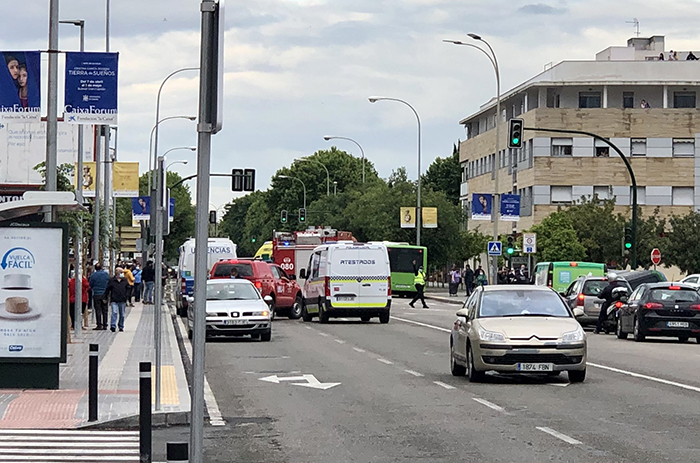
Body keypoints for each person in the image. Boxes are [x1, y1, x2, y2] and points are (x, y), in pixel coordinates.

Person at [105, 267, 129, 332]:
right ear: (117, 273)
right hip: (114, 299)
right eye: (121, 272)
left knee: (122, 314)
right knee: (114, 312)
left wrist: (126, 297)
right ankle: (113, 326)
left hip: (122, 299)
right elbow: (108, 289)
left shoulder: (125, 280)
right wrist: (105, 297)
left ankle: (121, 326)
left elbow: (128, 288)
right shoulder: (112, 280)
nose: (122, 274)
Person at [89, 263, 110, 330]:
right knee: (105, 310)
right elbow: (109, 283)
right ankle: (105, 325)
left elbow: (91, 284)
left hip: (96, 294)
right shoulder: (106, 274)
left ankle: (99, 325)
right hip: (104, 294)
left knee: (98, 310)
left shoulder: (93, 275)